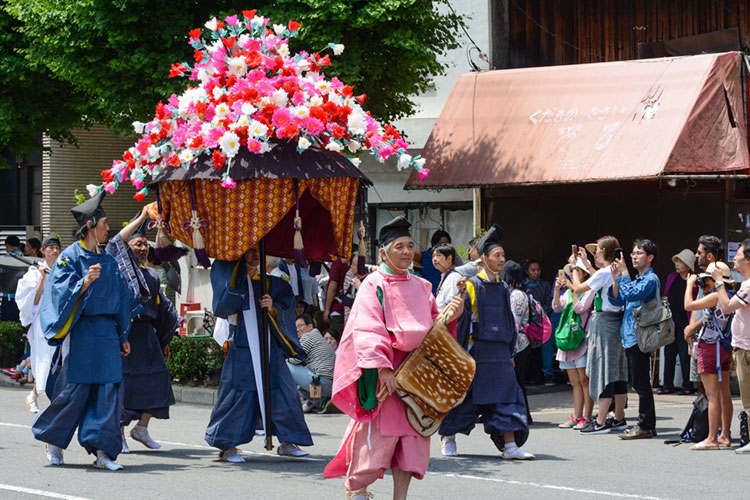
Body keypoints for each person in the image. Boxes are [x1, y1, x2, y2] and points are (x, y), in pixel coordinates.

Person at [324, 215, 464, 500]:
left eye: (409, 246)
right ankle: (359, 490)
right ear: (383, 252)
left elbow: (433, 329)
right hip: (385, 375)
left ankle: (400, 496)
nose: (405, 251)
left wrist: (451, 316)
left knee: (412, 440)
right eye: (398, 246)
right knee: (378, 439)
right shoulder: (373, 284)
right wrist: (383, 368)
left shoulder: (423, 286)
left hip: (416, 376)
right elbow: (368, 329)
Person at [32, 191, 133, 470]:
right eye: (104, 224)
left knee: (108, 392)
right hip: (82, 331)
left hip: (108, 333)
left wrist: (123, 335)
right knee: (74, 392)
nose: (108, 228)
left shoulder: (109, 260)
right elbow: (58, 293)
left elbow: (123, 297)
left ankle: (103, 452)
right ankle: (53, 441)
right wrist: (83, 284)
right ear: (90, 225)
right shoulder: (69, 258)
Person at [206, 245, 313, 462]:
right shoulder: (231, 280)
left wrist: (273, 308)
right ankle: (228, 445)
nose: (256, 255)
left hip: (270, 347)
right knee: (239, 394)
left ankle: (288, 442)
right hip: (243, 346)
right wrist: (238, 283)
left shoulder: (273, 283)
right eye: (250, 250)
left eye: (258, 250)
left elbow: (288, 307)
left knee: (284, 392)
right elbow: (222, 307)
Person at [438, 224, 534, 460]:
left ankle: (510, 446)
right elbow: (459, 321)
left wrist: (511, 353)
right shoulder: (470, 285)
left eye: (503, 255)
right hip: (477, 352)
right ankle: (448, 437)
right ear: (484, 259)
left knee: (507, 398)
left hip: (500, 353)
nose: (502, 259)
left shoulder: (502, 287)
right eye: (497, 256)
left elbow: (509, 322)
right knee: (465, 400)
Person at [107, 208, 182, 454]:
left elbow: (162, 309)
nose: (143, 249)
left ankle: (141, 428)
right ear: (128, 250)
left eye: (145, 245)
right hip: (126, 333)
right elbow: (115, 242)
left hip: (148, 335)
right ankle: (118, 434)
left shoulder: (151, 274)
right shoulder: (119, 269)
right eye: (137, 244)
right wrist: (141, 218)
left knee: (159, 380)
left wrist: (164, 339)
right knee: (125, 385)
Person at [571, 237, 628, 435]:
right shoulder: (614, 270)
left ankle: (601, 420)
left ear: (605, 251)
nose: (595, 254)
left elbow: (578, 288)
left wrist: (573, 270)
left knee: (603, 370)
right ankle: (619, 417)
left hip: (604, 323)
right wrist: (586, 264)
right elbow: (600, 280)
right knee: (618, 371)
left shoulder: (605, 272)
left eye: (597, 251)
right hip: (617, 322)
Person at [609, 239, 660, 440]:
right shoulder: (637, 279)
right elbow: (618, 299)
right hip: (630, 336)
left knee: (641, 384)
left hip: (641, 337)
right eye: (632, 253)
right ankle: (645, 424)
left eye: (639, 253)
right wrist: (616, 278)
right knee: (638, 383)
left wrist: (623, 275)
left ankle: (646, 425)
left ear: (650, 257)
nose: (633, 257)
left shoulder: (650, 279)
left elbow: (630, 294)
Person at [684, 262, 734, 450]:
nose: (703, 283)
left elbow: (688, 305)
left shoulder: (713, 296)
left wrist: (689, 284)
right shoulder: (728, 296)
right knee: (724, 394)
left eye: (706, 280)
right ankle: (725, 435)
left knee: (711, 395)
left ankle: (712, 438)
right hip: (724, 347)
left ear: (715, 280)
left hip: (710, 347)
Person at [15, 235, 61, 413]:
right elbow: (32, 301)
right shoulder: (34, 272)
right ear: (43, 251)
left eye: (57, 248)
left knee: (57, 363)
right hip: (43, 322)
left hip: (60, 322)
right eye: (50, 248)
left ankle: (35, 395)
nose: (55, 251)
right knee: (45, 361)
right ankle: (38, 395)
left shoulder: (62, 271)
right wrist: (42, 277)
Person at [712, 240, 750, 453]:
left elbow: (726, 307)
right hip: (742, 348)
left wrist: (719, 282)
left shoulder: (749, 286)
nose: (734, 257)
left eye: (738, 254)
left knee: (748, 398)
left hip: (746, 349)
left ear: (748, 260)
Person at [552, 264, 595, 430]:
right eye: (570, 272)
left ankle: (587, 416)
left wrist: (575, 290)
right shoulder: (568, 292)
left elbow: (580, 308)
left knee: (585, 380)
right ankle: (576, 416)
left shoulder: (589, 290)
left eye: (575, 271)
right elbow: (556, 308)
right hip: (567, 341)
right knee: (574, 381)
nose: (571, 275)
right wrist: (557, 290)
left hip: (581, 339)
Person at [685, 236, 724, 395]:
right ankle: (706, 419)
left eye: (699, 252)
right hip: (700, 337)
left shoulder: (716, 278)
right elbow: (698, 304)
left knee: (713, 392)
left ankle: (713, 420)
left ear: (709, 256)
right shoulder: (703, 277)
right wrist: (691, 328)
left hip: (712, 341)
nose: (696, 255)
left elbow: (711, 311)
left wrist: (693, 327)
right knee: (702, 386)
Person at [501, 260, 534, 425]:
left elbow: (514, 324)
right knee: (517, 381)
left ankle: (522, 415)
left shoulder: (517, 296)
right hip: (518, 344)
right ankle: (524, 414)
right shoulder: (513, 293)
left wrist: (510, 351)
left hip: (519, 345)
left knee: (517, 381)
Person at [661, 249, 696, 394]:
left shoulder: (693, 281)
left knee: (684, 356)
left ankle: (687, 386)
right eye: (677, 261)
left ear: (688, 265)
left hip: (685, 324)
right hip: (671, 323)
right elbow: (665, 297)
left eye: (681, 262)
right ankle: (667, 385)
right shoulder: (671, 277)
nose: (677, 264)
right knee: (669, 355)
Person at [287, 313, 336, 413]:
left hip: (323, 383)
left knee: (286, 364)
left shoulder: (308, 336)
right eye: (295, 327)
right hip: (330, 384)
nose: (297, 329)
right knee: (301, 387)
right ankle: (322, 402)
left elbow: (296, 359)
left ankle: (320, 401)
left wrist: (286, 358)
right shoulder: (317, 336)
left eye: (300, 326)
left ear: (310, 326)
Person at [524, 259, 555, 386]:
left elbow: (549, 303)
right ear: (527, 272)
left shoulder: (545, 285)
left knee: (543, 348)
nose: (536, 273)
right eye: (533, 270)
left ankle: (545, 374)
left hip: (542, 321)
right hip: (527, 322)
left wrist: (540, 313)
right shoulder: (523, 286)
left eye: (538, 270)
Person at [432, 243, 463, 310]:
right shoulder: (445, 275)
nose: (434, 259)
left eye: (438, 255)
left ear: (449, 258)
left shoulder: (453, 277)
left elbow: (451, 306)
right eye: (433, 256)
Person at [2, 234, 24, 322]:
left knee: (7, 326)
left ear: (7, 246)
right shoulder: (25, 257)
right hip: (22, 297)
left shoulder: (6, 259)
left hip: (9, 296)